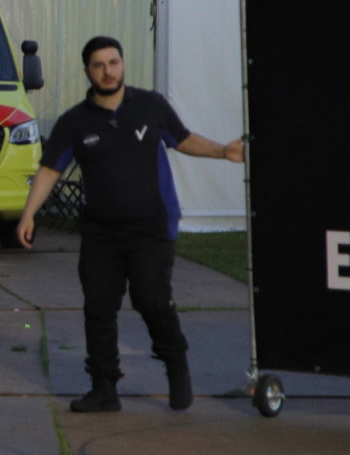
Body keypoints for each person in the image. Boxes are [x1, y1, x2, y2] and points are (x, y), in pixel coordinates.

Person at [16, 36, 244, 414]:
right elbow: (49, 170)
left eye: (114, 62)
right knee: (98, 308)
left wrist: (223, 151)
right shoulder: (74, 122)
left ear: (123, 64)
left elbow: (183, 140)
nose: (108, 71)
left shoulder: (151, 106)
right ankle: (105, 388)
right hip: (100, 233)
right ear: (87, 71)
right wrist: (28, 215)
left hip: (151, 227)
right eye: (99, 65)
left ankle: (177, 368)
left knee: (152, 300)